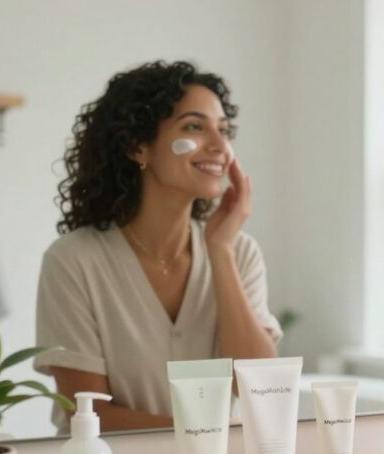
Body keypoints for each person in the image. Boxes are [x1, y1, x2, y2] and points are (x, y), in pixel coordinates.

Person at [34, 61, 281, 432]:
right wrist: (206, 437)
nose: (220, 147)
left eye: (224, 130)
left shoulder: (238, 252)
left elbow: (262, 390)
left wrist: (220, 254)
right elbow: (87, 417)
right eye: (195, 127)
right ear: (138, 147)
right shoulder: (74, 261)